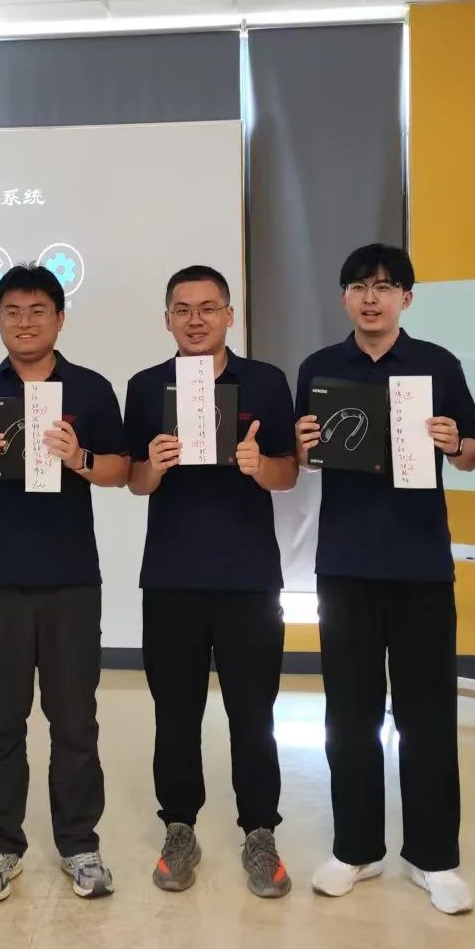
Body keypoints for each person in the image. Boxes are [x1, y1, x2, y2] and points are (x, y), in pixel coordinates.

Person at [0, 263, 129, 903]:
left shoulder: (90, 389)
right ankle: (0, 846)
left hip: (73, 581)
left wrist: (80, 459)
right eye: (12, 311)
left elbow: (122, 470)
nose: (25, 322)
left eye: (38, 310)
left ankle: (79, 843)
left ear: (60, 319)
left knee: (75, 720)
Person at [294, 243, 475, 914]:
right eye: (358, 286)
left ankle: (434, 856)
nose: (370, 298)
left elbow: (472, 452)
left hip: (421, 564)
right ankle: (356, 848)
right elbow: (305, 458)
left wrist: (453, 441)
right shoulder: (320, 368)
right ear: (344, 297)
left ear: (407, 296)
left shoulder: (438, 364)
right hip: (345, 564)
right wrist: (306, 446)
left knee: (428, 714)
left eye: (384, 286)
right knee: (349, 713)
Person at [124, 265, 299, 898]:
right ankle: (179, 828)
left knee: (254, 712)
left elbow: (288, 473)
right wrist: (154, 466)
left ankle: (260, 831)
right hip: (171, 577)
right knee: (175, 712)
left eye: (208, 308)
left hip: (249, 578)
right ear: (167, 318)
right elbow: (133, 481)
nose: (195, 319)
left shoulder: (266, 381)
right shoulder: (146, 387)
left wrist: (259, 466)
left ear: (230, 315)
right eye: (183, 309)